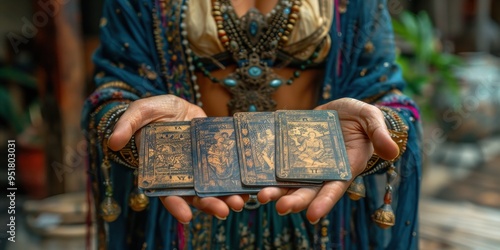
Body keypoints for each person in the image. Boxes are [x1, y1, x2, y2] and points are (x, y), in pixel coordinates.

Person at [82, 0, 422, 249]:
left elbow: (385, 95)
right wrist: (134, 129)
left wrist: (380, 126)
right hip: (192, 202)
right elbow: (115, 90)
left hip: (320, 209)